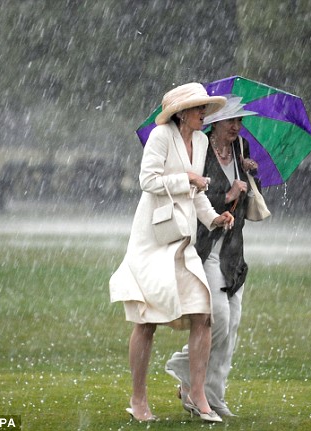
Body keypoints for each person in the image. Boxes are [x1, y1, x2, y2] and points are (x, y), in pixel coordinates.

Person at [109, 82, 234, 423]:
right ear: (181, 113)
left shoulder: (202, 141)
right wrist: (187, 178)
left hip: (182, 242)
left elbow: (196, 195)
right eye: (198, 109)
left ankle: (198, 395)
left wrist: (213, 218)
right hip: (152, 239)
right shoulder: (160, 136)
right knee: (146, 321)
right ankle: (138, 400)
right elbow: (147, 181)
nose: (204, 114)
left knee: (203, 315)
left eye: (205, 108)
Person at [165, 95, 260, 417]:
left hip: (233, 251)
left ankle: (213, 397)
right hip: (204, 248)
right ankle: (187, 371)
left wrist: (251, 176)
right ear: (215, 123)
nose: (237, 127)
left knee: (231, 325)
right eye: (231, 120)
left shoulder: (241, 150)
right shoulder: (199, 149)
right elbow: (194, 196)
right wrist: (226, 195)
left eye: (240, 121)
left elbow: (247, 202)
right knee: (216, 320)